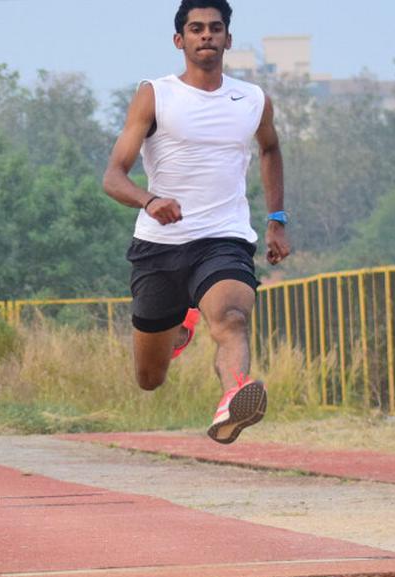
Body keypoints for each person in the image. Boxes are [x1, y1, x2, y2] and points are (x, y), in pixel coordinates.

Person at [102, 0, 291, 444]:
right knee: (150, 377)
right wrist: (149, 200)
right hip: (159, 246)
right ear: (179, 40)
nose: (206, 35)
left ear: (228, 39)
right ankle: (182, 320)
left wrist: (276, 219)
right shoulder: (156, 94)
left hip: (223, 239)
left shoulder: (253, 100)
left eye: (215, 28)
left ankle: (233, 395)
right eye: (196, 28)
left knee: (231, 318)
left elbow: (270, 149)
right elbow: (113, 176)